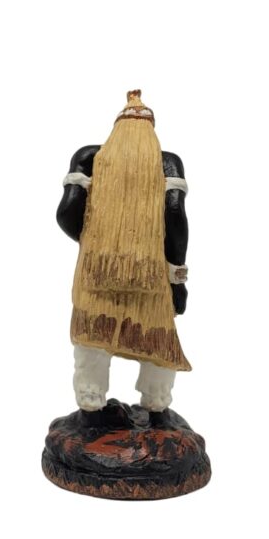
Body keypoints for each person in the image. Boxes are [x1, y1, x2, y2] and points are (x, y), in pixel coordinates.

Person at [56, 90, 191, 412]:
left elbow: (66, 213)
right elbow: (175, 219)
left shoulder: (89, 156)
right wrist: (177, 279)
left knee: (93, 337)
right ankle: (156, 402)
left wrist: (96, 244)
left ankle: (90, 401)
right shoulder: (168, 162)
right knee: (157, 343)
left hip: (95, 275)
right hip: (152, 277)